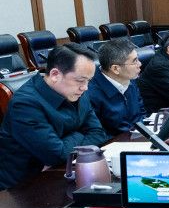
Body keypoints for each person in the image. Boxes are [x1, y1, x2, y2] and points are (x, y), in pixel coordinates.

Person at [0, 44, 110, 190]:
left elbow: (99, 134)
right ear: (55, 75)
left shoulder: (77, 92)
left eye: (88, 81)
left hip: (66, 172)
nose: (85, 87)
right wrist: (80, 134)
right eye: (80, 80)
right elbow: (57, 156)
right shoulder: (25, 104)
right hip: (25, 188)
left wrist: (67, 142)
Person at [86, 39, 146, 136]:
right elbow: (98, 133)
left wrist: (148, 134)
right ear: (115, 69)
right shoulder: (91, 93)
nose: (140, 64)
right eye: (135, 61)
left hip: (138, 137)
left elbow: (141, 111)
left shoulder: (129, 77)